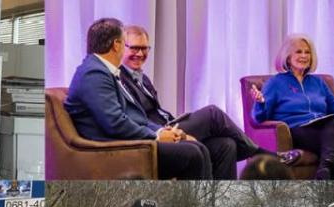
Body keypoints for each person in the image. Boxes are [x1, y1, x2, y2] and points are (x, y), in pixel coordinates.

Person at [118, 24, 297, 178]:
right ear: (120, 48)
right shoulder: (118, 78)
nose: (140, 54)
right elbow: (133, 117)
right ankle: (263, 154)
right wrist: (163, 130)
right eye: (134, 48)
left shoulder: (143, 78)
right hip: (156, 135)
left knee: (226, 145)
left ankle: (221, 203)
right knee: (213, 113)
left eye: (144, 48)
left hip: (168, 124)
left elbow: (156, 111)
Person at [64, 18, 213, 179]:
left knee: (199, 149)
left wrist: (161, 130)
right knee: (193, 153)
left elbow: (132, 115)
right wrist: (156, 136)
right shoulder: (94, 74)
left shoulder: (104, 71)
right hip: (113, 149)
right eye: (125, 43)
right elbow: (115, 123)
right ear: (116, 45)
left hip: (125, 142)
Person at [251, 34, 334, 179]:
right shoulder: (275, 83)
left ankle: (324, 172)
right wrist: (260, 102)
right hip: (297, 131)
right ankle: (327, 181)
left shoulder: (318, 82)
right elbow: (259, 118)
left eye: (307, 52)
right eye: (298, 51)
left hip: (324, 130)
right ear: (288, 57)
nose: (304, 56)